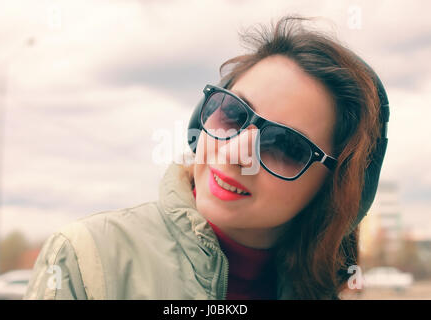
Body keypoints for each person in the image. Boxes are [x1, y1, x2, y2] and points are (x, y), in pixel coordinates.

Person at [23, 16, 384, 300]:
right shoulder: (86, 258)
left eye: (285, 146)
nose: (232, 154)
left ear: (336, 188)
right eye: (232, 113)